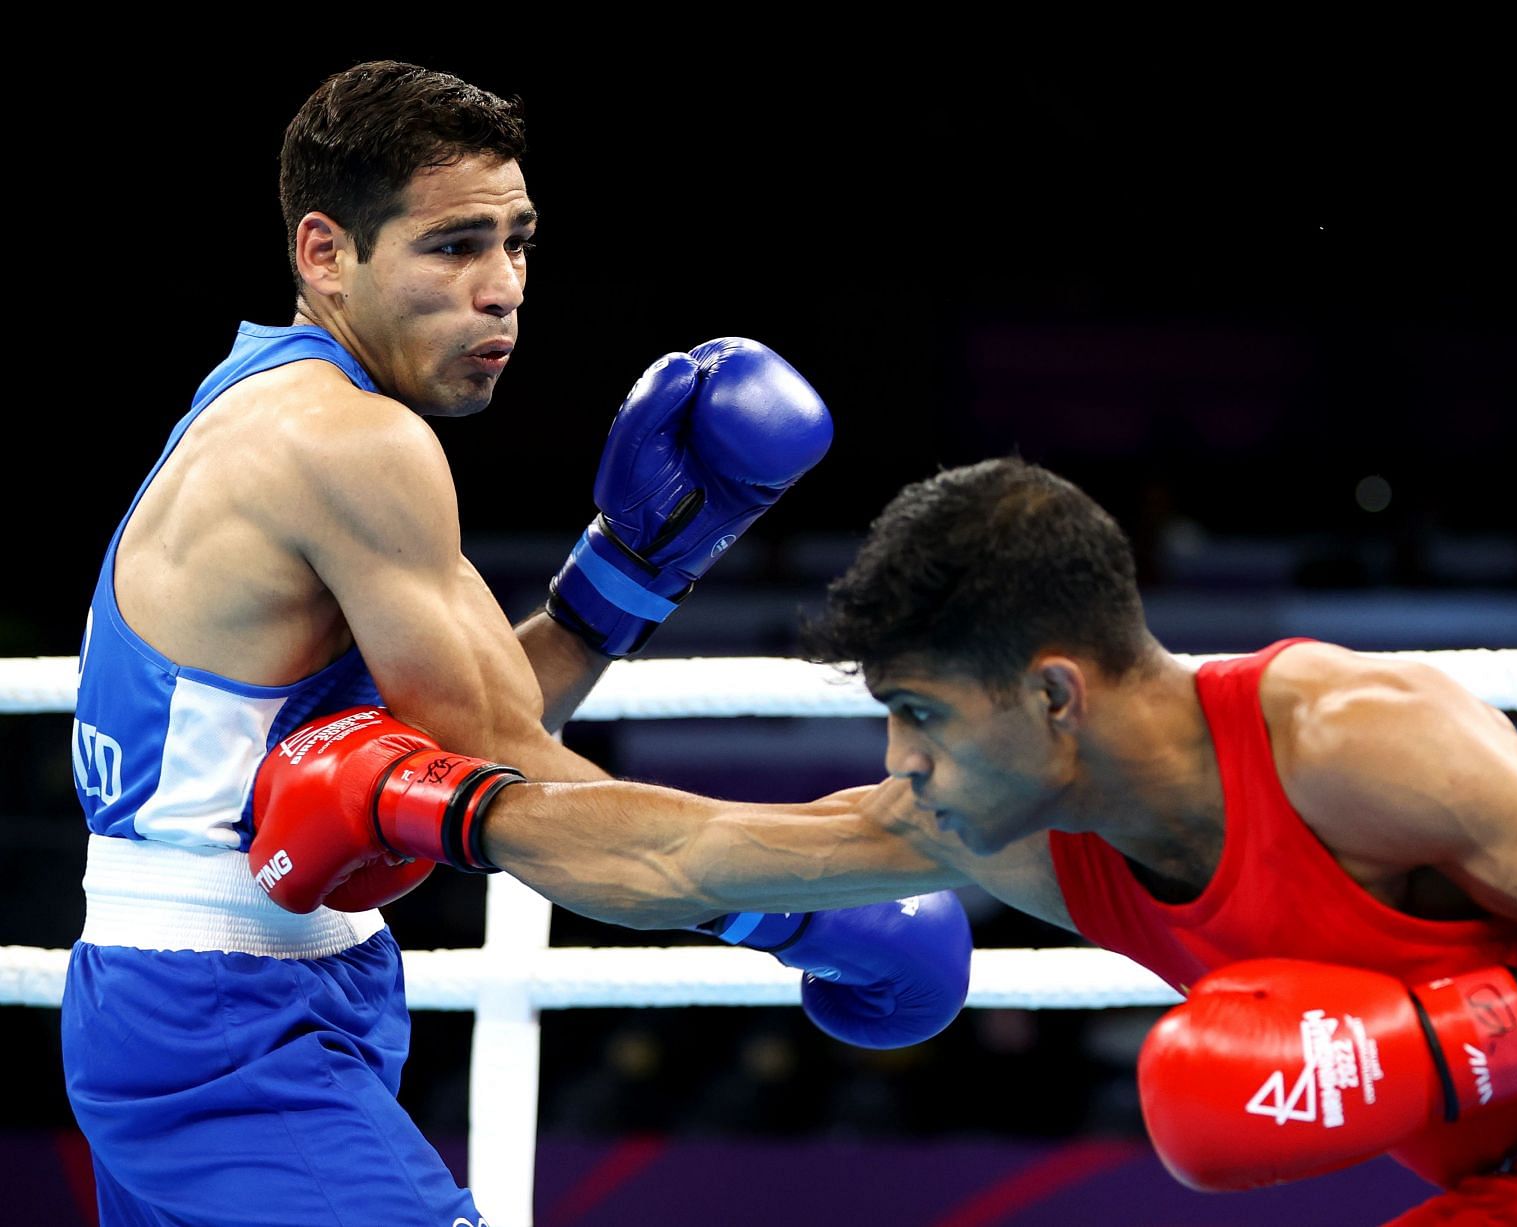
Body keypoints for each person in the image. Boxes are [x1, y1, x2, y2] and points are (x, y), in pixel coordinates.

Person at [263, 455, 1517, 1223]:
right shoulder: (1014, 831)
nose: (901, 763)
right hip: (1510, 1188)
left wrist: (1446, 1038)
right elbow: (681, 858)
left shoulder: (1349, 739)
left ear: (1052, 694)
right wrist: (446, 801)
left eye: (922, 714)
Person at [64, 60, 969, 1227]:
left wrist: (631, 573)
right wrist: (810, 900)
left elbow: (478, 720)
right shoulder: (350, 442)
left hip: (226, 991)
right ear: (325, 253)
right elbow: (527, 792)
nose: (503, 291)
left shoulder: (270, 399)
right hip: (222, 1011)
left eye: (520, 242)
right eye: (453, 247)